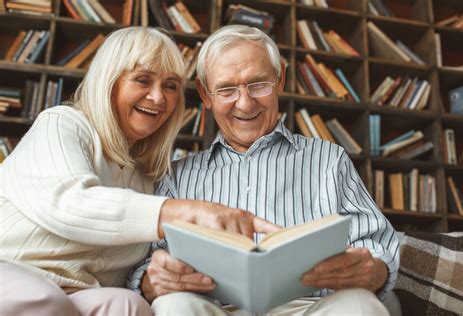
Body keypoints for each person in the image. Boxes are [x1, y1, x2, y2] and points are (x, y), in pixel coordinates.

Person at [0, 27, 278, 316]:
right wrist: (186, 212)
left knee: (129, 306)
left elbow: (139, 267)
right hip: (13, 269)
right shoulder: (62, 124)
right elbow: (71, 203)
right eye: (142, 80)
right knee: (44, 300)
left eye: (170, 86)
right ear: (109, 83)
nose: (158, 98)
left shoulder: (148, 174)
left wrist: (169, 273)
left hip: (78, 291)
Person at [128, 25, 400, 315]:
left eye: (258, 84)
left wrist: (374, 270)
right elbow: (144, 262)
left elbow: (376, 244)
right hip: (213, 309)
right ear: (206, 95)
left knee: (360, 305)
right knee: (173, 306)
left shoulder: (328, 160)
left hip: (312, 308)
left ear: (280, 79)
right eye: (226, 90)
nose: (245, 103)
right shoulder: (178, 175)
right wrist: (151, 281)